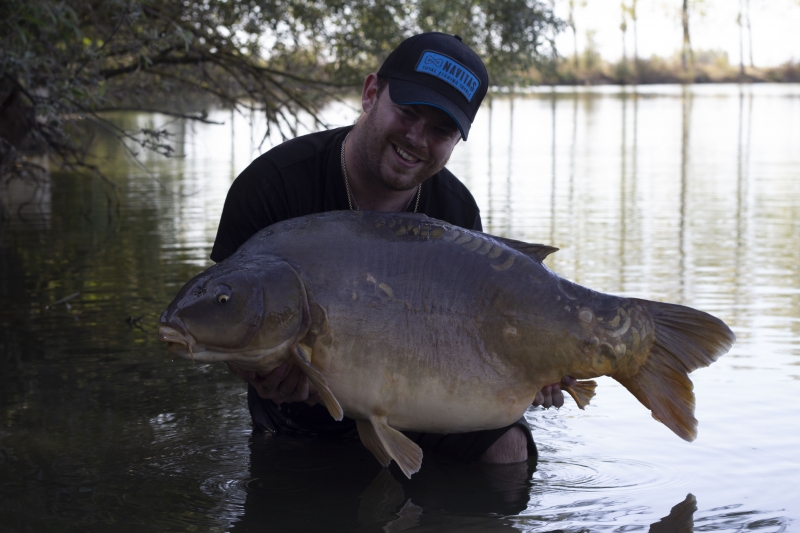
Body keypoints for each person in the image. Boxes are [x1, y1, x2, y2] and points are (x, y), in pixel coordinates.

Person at [211, 32, 573, 465]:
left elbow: (481, 341)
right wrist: (257, 372)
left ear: (457, 139)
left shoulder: (456, 212)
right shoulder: (273, 184)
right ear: (371, 94)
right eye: (407, 112)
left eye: (440, 129)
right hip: (299, 413)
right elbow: (225, 318)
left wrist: (537, 368)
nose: (417, 138)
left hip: (425, 400)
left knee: (508, 451)